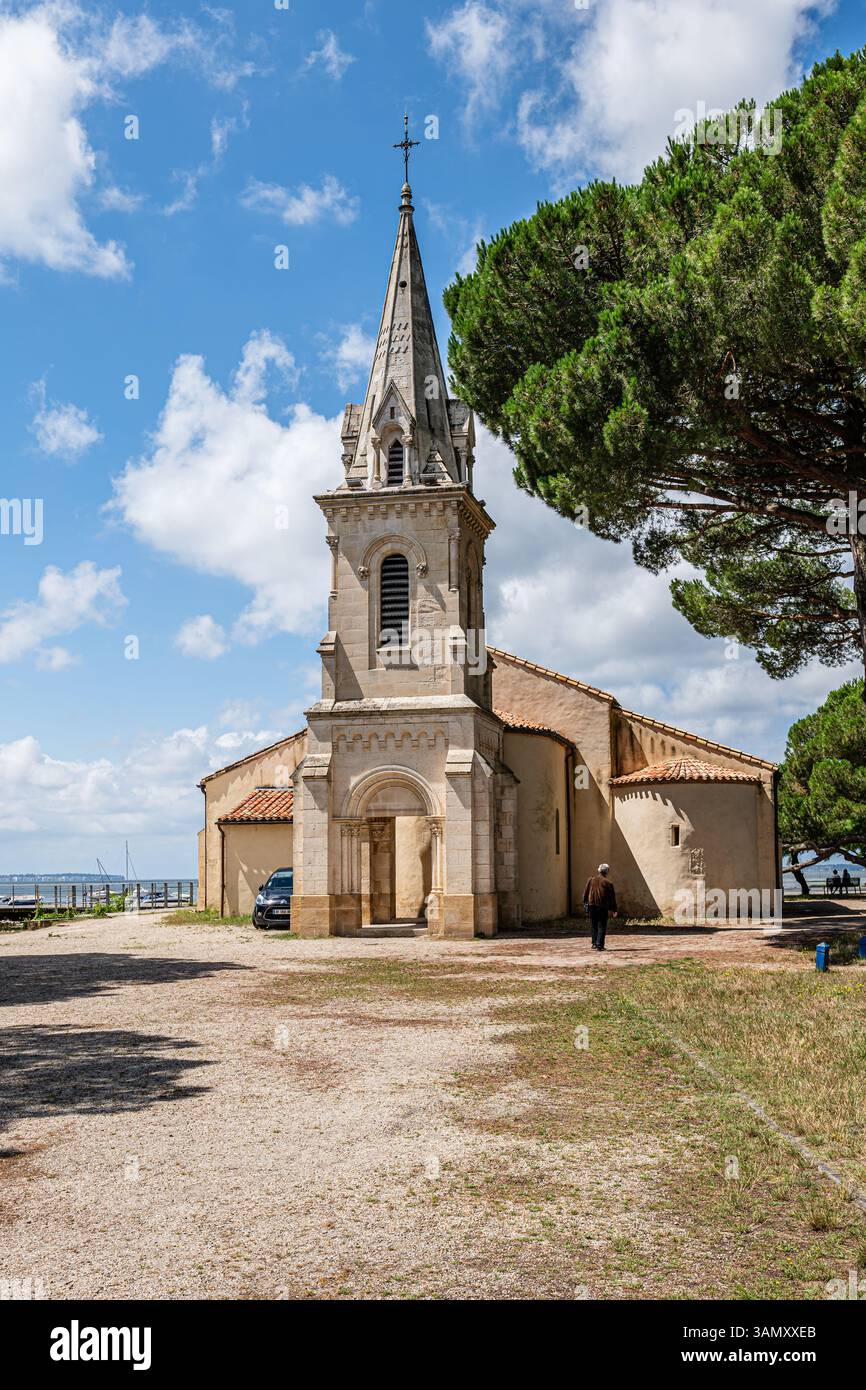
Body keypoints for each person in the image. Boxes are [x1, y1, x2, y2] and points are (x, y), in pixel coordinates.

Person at [583, 863, 618, 951]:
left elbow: (585, 893)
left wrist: (585, 902)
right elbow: (612, 898)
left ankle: (594, 943)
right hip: (602, 906)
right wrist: (614, 909)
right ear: (607, 872)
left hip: (592, 905)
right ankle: (599, 945)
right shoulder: (608, 883)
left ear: (599, 870)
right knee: (602, 926)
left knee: (594, 925)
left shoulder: (590, 880)